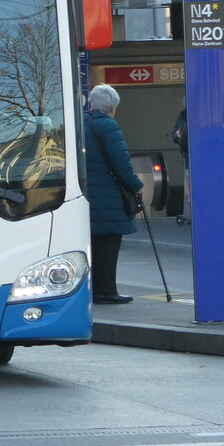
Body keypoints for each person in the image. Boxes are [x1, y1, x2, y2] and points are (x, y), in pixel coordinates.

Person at [83, 84, 144, 305]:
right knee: (109, 244)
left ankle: (91, 290)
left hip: (86, 195)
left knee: (92, 244)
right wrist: (136, 185)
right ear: (113, 107)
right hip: (107, 195)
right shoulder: (108, 126)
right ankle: (107, 291)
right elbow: (121, 162)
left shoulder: (81, 124)